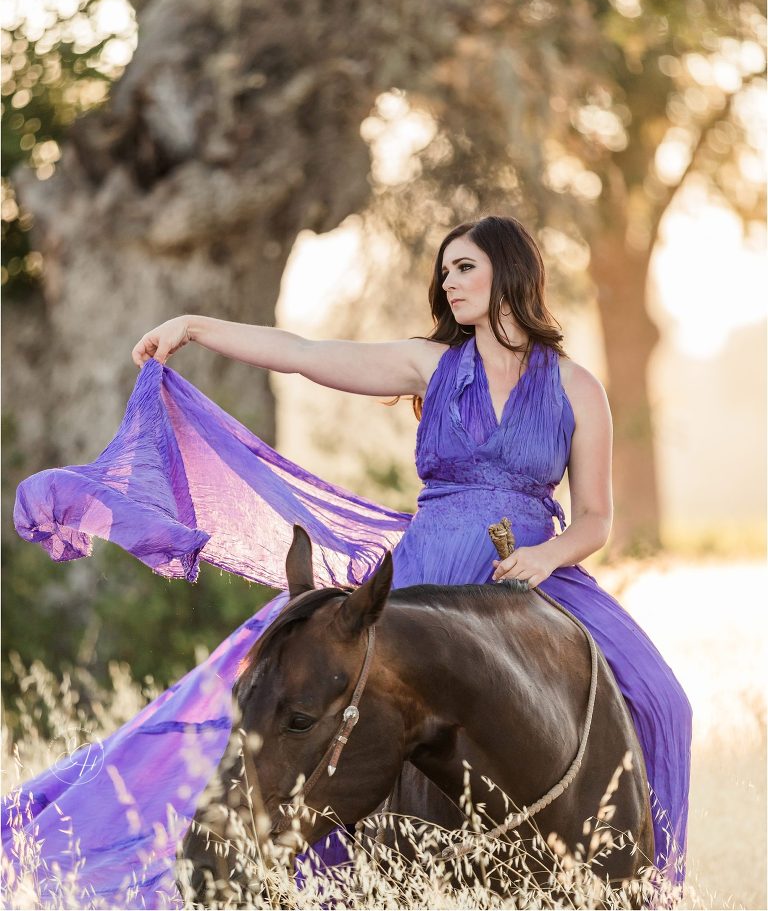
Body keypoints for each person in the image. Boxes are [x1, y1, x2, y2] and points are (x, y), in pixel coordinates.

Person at [4, 216, 691, 909]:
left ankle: (645, 879)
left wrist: (547, 554)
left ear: (510, 272)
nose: (448, 282)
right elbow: (304, 352)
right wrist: (196, 326)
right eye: (444, 270)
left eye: (464, 268)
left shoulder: (577, 387)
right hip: (430, 570)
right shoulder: (432, 364)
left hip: (532, 574)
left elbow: (597, 516)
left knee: (665, 700)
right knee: (342, 706)